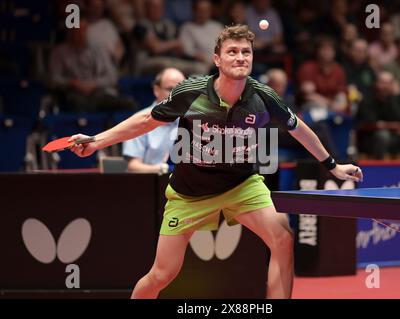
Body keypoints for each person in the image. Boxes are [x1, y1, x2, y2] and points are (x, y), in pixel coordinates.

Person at [70, 24, 363, 299]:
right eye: (232, 52)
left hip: (242, 184)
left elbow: (298, 128)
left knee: (282, 237)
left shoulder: (263, 97)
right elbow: (146, 120)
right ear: (217, 59)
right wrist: (96, 141)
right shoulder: (192, 92)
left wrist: (332, 166)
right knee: (162, 274)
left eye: (246, 52)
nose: (240, 57)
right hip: (190, 192)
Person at [123, 68, 185, 173]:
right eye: (170, 89)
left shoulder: (192, 119)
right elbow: (133, 166)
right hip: (149, 184)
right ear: (156, 90)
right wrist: (164, 170)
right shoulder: (139, 120)